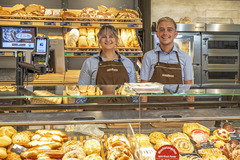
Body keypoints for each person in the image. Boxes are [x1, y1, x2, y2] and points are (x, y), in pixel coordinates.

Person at [140, 17, 194, 105]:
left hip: (177, 106)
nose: (165, 33)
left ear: (175, 34)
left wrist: (191, 113)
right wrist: (143, 112)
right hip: (153, 106)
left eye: (169, 30)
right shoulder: (148, 56)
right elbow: (143, 87)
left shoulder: (185, 57)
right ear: (157, 34)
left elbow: (189, 88)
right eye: (161, 30)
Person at [78, 25, 137, 103]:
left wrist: (136, 110)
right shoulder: (89, 63)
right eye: (104, 37)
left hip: (124, 109)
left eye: (111, 36)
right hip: (96, 110)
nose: (108, 39)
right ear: (99, 41)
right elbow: (82, 90)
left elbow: (134, 91)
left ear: (116, 40)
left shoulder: (127, 63)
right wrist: (79, 110)